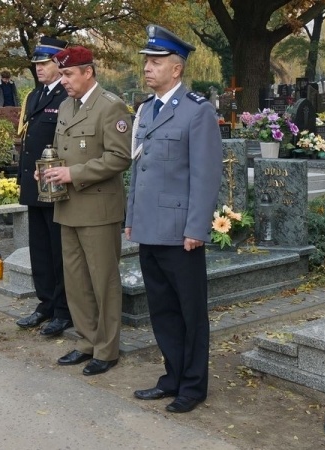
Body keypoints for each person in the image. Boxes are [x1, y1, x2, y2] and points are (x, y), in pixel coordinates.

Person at [124, 24, 222, 413]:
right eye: (146, 61)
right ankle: (172, 378)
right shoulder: (146, 109)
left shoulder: (197, 111)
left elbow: (206, 176)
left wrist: (197, 228)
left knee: (190, 313)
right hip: (149, 228)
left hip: (181, 233)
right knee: (162, 310)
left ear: (176, 68)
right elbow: (139, 170)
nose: (147, 68)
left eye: (155, 61)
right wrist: (131, 217)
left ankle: (193, 386)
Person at [41, 45, 131, 376]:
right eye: (61, 74)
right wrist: (48, 170)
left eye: (67, 74)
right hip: (68, 206)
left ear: (88, 72)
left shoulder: (110, 106)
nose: (63, 80)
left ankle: (107, 349)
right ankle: (87, 340)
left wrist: (72, 174)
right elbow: (60, 150)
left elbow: (119, 157)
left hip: (98, 209)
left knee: (102, 281)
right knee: (76, 281)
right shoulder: (67, 106)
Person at [15, 37, 73, 337]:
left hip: (55, 186)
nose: (39, 68)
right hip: (33, 184)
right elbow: (27, 140)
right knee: (39, 250)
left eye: (45, 63)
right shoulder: (35, 95)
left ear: (59, 64)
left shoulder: (67, 95)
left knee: (58, 251)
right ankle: (46, 304)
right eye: (36, 64)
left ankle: (64, 310)